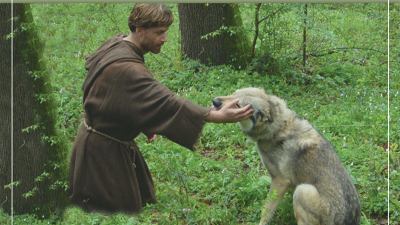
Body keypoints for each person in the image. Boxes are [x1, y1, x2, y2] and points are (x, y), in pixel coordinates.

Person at [68, 3, 253, 214]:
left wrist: (144, 119)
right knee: (113, 213)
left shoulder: (117, 44)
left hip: (98, 139)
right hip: (103, 155)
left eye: (165, 32)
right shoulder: (128, 68)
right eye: (159, 33)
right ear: (139, 29)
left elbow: (116, 94)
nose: (164, 38)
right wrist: (214, 115)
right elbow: (164, 101)